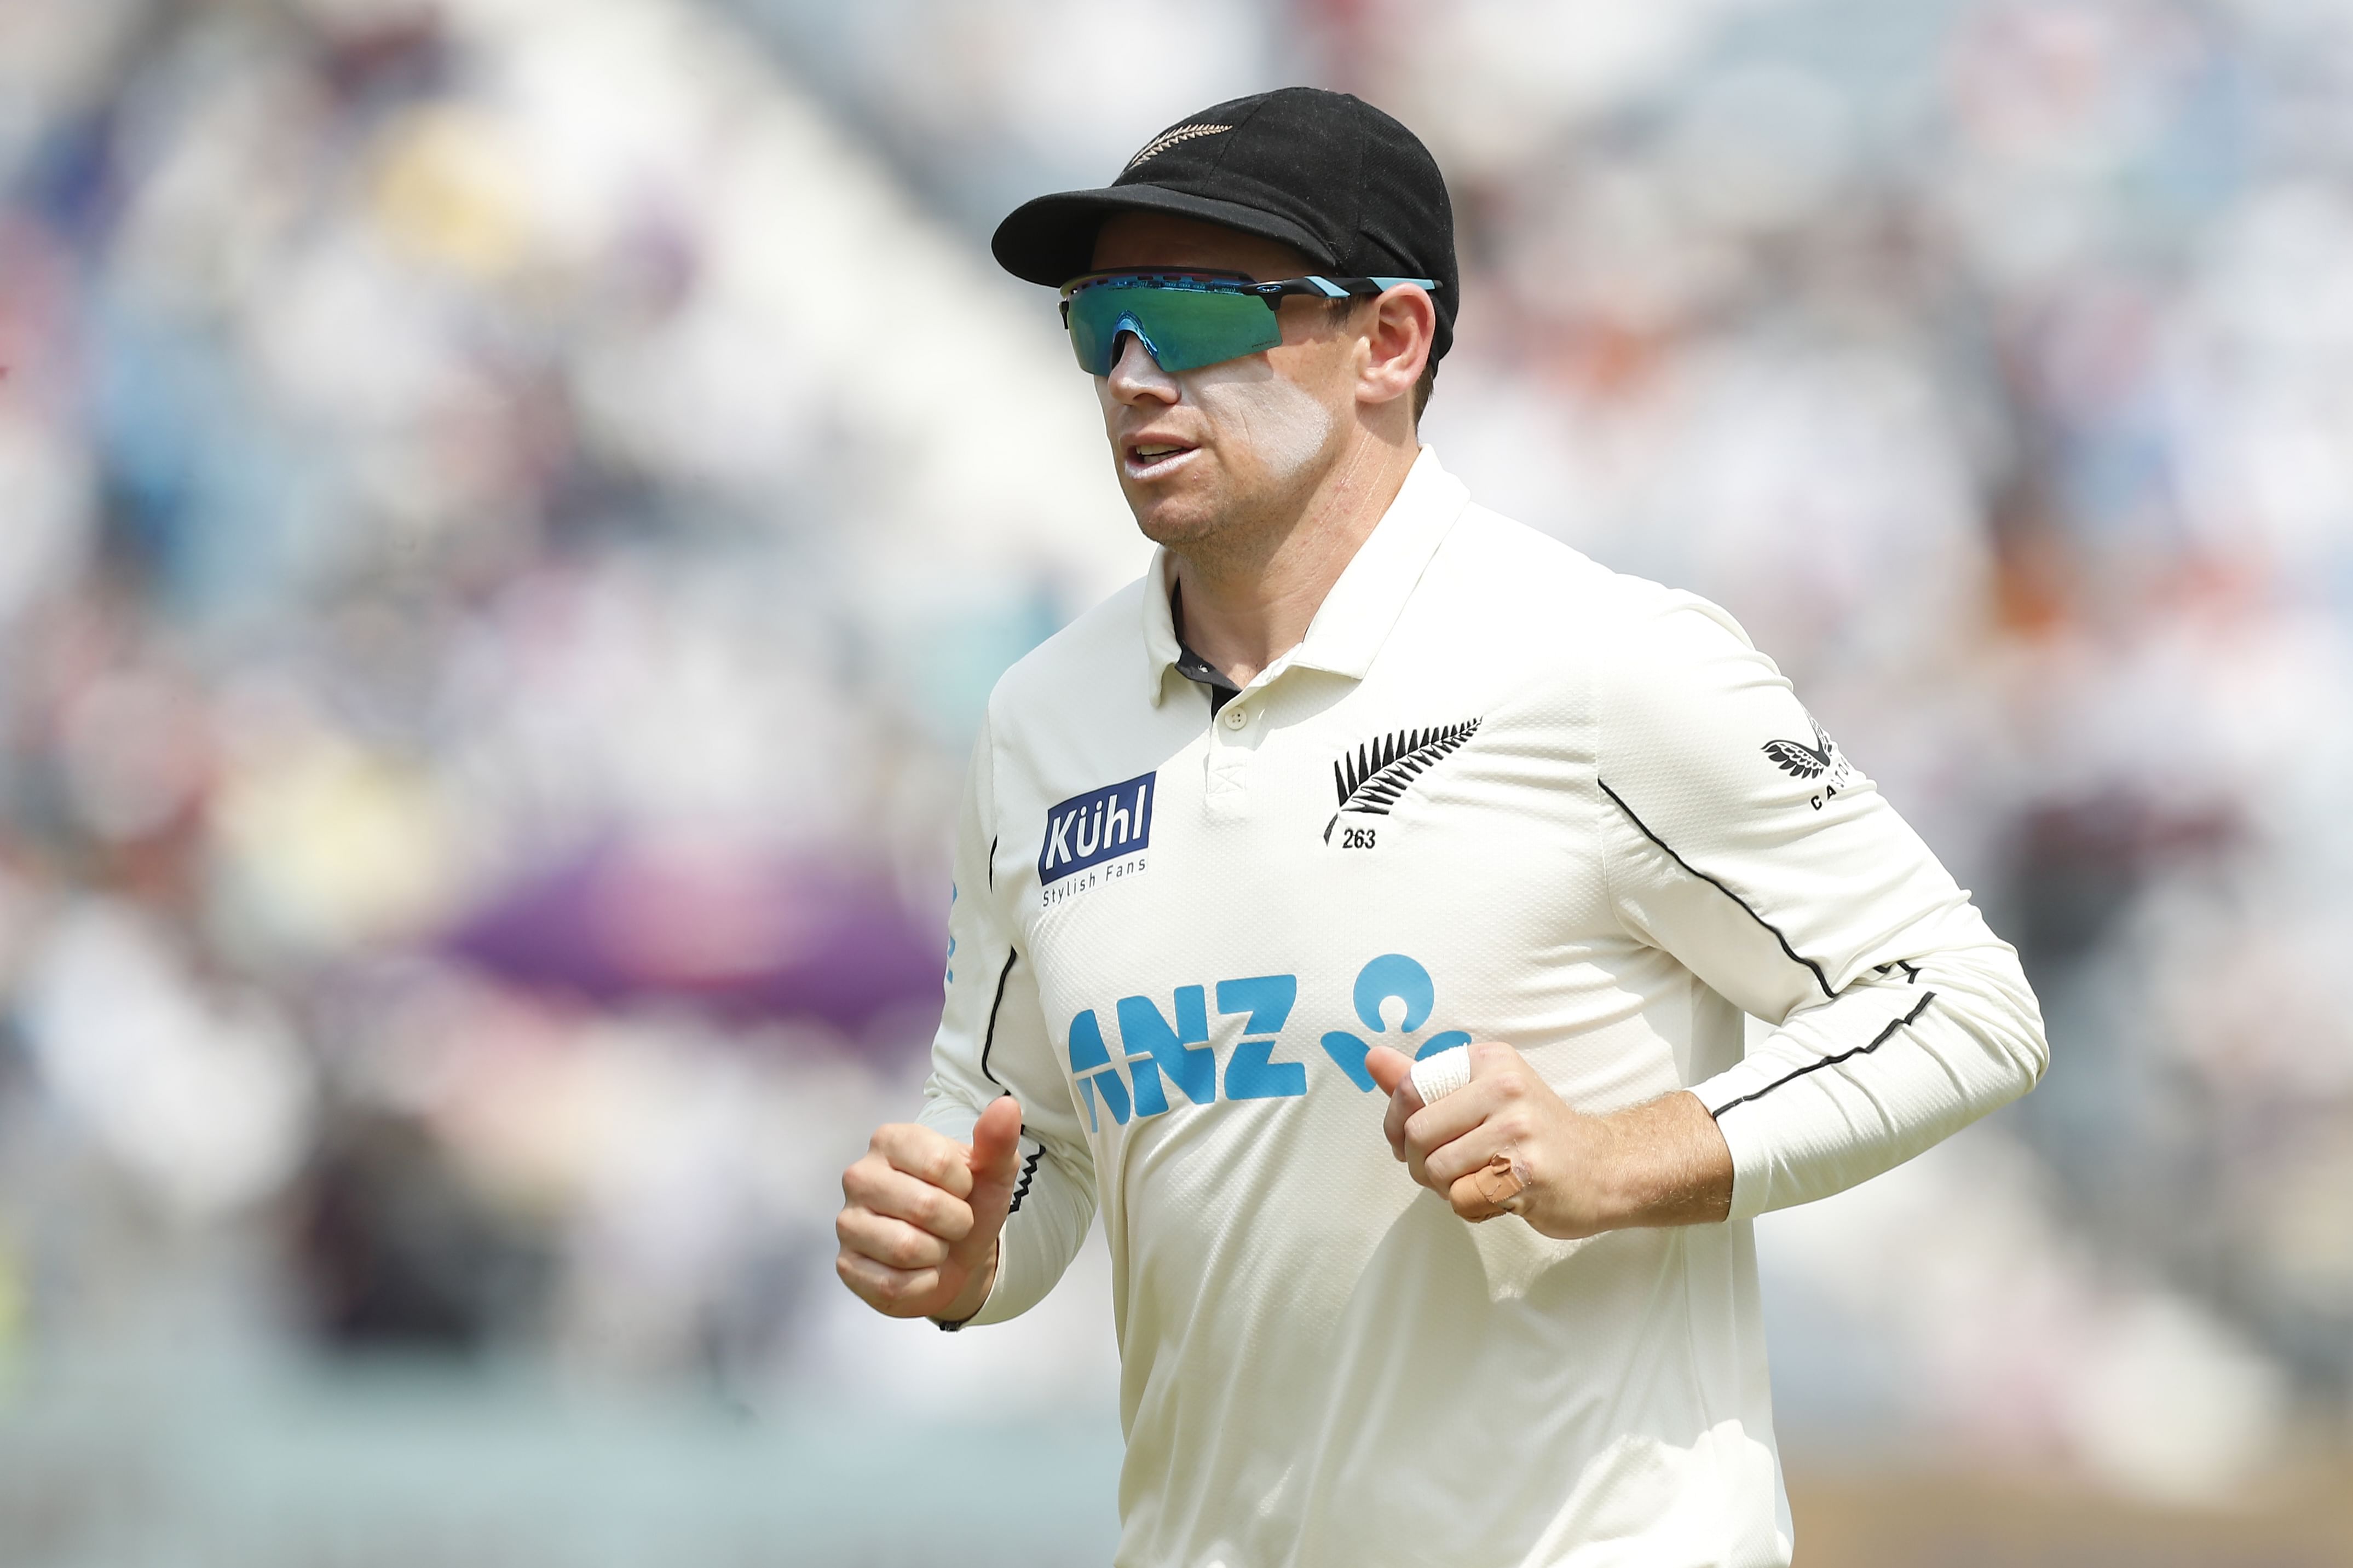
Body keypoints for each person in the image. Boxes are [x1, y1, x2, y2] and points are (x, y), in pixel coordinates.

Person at [834, 87, 2046, 1567]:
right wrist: (958, 1250)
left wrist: (1622, 1155)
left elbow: (1960, 1002)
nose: (1135, 374)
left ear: (1390, 341)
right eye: (1101, 321)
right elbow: (1028, 1140)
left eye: (1197, 312)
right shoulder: (1040, 722)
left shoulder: (1604, 660)